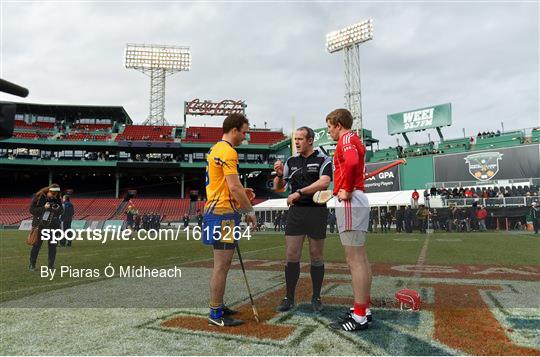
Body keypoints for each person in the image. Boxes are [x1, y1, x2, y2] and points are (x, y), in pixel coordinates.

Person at [202, 113, 257, 327]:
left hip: (219, 211)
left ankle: (218, 305)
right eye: (244, 132)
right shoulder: (228, 151)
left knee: (221, 264)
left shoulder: (216, 148)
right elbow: (233, 187)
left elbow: (229, 185)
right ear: (234, 130)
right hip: (223, 214)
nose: (245, 137)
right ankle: (215, 313)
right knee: (222, 265)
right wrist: (249, 210)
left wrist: (243, 191)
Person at [273, 126, 332, 313]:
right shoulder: (291, 161)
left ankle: (316, 297)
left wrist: (299, 192)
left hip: (317, 211)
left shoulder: (323, 159)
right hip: (296, 212)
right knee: (291, 255)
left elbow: (324, 182)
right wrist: (279, 174)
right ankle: (289, 298)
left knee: (316, 256)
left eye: (300, 139)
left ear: (310, 140)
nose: (296, 142)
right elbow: (280, 188)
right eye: (295, 139)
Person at [325, 108, 372, 331]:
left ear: (338, 124)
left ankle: (360, 316)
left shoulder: (345, 139)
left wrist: (346, 188)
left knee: (355, 260)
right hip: (354, 200)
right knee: (359, 259)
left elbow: (352, 162)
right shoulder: (351, 138)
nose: (329, 132)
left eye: (329, 127)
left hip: (350, 202)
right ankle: (363, 309)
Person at [29, 184, 64, 271]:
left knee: (53, 246)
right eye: (52, 194)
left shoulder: (57, 198)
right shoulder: (39, 197)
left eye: (55, 194)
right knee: (36, 246)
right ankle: (32, 265)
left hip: (53, 225)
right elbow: (32, 210)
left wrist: (58, 209)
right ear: (48, 191)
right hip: (40, 225)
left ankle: (51, 266)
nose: (53, 196)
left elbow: (61, 211)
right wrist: (44, 208)